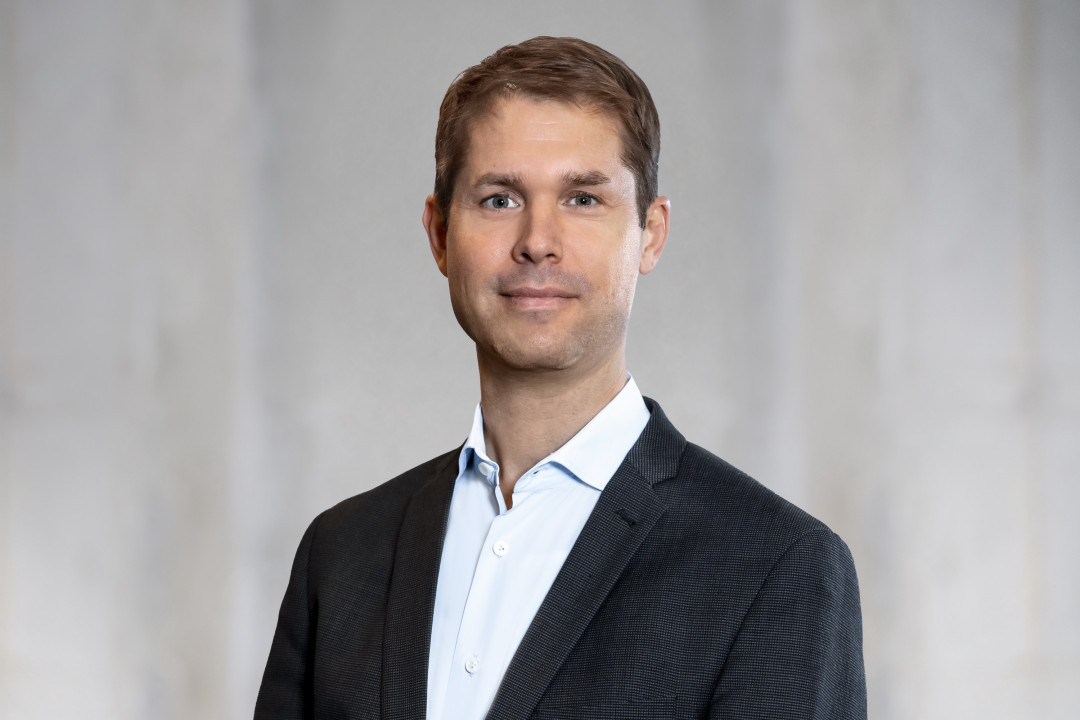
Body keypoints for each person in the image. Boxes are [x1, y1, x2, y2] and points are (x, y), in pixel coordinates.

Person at [254, 36, 866, 720]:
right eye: (498, 200)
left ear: (651, 233)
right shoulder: (341, 555)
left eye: (582, 198)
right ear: (439, 234)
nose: (538, 241)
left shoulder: (774, 566)